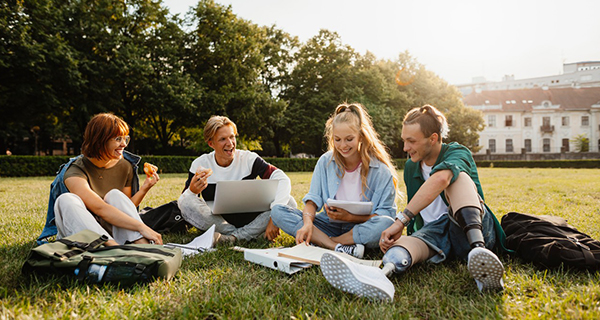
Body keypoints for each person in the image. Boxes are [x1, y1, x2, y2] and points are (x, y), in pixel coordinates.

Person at [320, 104, 507, 301]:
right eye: (404, 141)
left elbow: (441, 179)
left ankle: (479, 252)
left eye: (411, 141)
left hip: (470, 229)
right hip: (435, 236)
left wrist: (401, 220)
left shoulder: (457, 152)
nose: (405, 148)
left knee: (457, 178)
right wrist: (399, 236)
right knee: (400, 247)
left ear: (433, 138)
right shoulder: (411, 166)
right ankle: (379, 276)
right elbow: (419, 215)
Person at [271, 103, 400, 258]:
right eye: (337, 139)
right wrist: (307, 224)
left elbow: (386, 215)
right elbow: (312, 201)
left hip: (361, 228)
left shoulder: (380, 171)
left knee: (387, 223)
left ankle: (326, 242)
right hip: (328, 224)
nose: (342, 145)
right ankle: (336, 247)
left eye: (349, 139)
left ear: (361, 136)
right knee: (278, 211)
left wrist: (350, 218)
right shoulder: (326, 161)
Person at [37, 113, 162, 246]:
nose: (124, 144)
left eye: (126, 138)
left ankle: (139, 243)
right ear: (100, 140)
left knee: (115, 195)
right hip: (82, 234)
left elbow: (126, 207)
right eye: (118, 139)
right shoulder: (74, 171)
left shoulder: (125, 166)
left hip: (110, 229)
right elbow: (100, 208)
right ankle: (113, 247)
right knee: (65, 200)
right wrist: (142, 227)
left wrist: (145, 188)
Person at [178, 115, 296, 244]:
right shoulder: (200, 164)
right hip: (220, 222)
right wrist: (192, 191)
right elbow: (185, 202)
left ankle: (232, 239)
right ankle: (250, 235)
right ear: (211, 143)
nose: (230, 143)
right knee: (186, 201)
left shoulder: (249, 159)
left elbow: (282, 178)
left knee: (289, 202)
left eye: (232, 137)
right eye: (223, 139)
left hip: (252, 218)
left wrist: (275, 216)